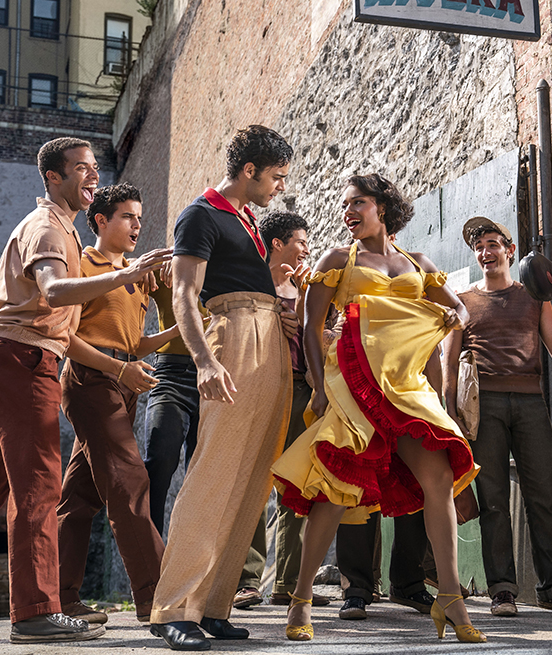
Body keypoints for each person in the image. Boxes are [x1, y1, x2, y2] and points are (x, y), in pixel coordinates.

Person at [0, 137, 169, 643]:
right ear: (53, 177)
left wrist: (125, 355)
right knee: (40, 487)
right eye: (82, 169)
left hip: (18, 357)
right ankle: (36, 612)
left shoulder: (61, 228)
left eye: (94, 168)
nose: (93, 176)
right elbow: (52, 292)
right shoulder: (47, 227)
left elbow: (68, 333)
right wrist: (127, 275)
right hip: (24, 361)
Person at [271, 174, 482, 643]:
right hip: (352, 379)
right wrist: (315, 383)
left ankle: (450, 596)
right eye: (344, 204)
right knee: (335, 485)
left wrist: (448, 317)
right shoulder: (335, 260)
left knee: (440, 479)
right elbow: (311, 324)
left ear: (382, 208)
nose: (348, 211)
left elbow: (461, 312)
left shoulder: (418, 262)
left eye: (358, 202)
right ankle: (301, 599)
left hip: (407, 384)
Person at [148, 125, 296, 651]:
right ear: (249, 170)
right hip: (231, 338)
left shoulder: (246, 220)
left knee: (252, 478)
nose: (280, 186)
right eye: (276, 177)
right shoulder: (201, 214)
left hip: (269, 340)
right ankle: (172, 609)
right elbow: (185, 295)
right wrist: (205, 361)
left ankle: (212, 605)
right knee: (213, 474)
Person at [443, 216, 552, 618]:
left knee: (543, 498)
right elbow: (449, 362)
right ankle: (502, 590)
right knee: (493, 501)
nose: (486, 252)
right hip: (484, 407)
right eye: (480, 247)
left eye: (493, 244)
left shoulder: (534, 297)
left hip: (529, 405)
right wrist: (451, 413)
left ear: (509, 250)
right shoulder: (462, 301)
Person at [56, 183, 181, 625]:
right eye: (127, 217)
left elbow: (132, 343)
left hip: (123, 384)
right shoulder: (81, 266)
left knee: (78, 497)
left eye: (140, 218)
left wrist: (172, 335)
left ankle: (59, 598)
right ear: (101, 221)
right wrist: (118, 371)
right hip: (91, 382)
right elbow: (66, 337)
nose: (136, 226)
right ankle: (158, 597)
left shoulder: (136, 273)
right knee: (130, 482)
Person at [233, 211, 330, 610]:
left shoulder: (306, 289)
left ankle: (289, 582)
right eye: (301, 241)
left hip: (299, 386)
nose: (307, 249)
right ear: (277, 243)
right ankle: (245, 581)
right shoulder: (246, 284)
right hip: (256, 386)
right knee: (253, 483)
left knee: (296, 483)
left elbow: (318, 334)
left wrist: (307, 305)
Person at [142, 274, 203, 536]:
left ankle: (191, 560)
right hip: (170, 373)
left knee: (203, 471)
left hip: (217, 372)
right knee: (160, 459)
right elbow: (122, 273)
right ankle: (150, 563)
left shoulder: (226, 266)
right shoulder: (170, 270)